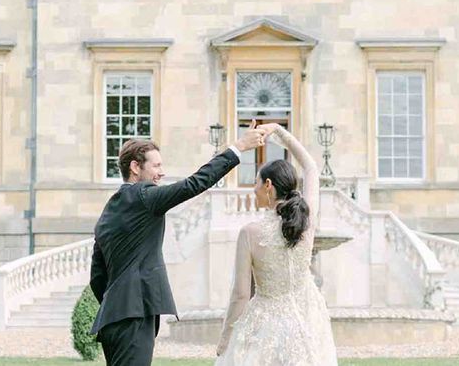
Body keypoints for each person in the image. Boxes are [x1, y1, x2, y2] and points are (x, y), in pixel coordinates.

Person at [89, 121, 269, 366]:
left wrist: (118, 301)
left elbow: (97, 276)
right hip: (134, 314)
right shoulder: (145, 196)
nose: (161, 173)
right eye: (157, 166)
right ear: (135, 167)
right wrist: (238, 147)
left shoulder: (109, 210)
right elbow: (195, 184)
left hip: (113, 318)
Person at [215, 123, 337, 366]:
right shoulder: (307, 220)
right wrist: (279, 132)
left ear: (268, 185)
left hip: (266, 324)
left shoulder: (250, 233)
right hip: (308, 320)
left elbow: (240, 295)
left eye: (257, 182)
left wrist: (225, 338)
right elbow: (311, 167)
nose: (254, 188)